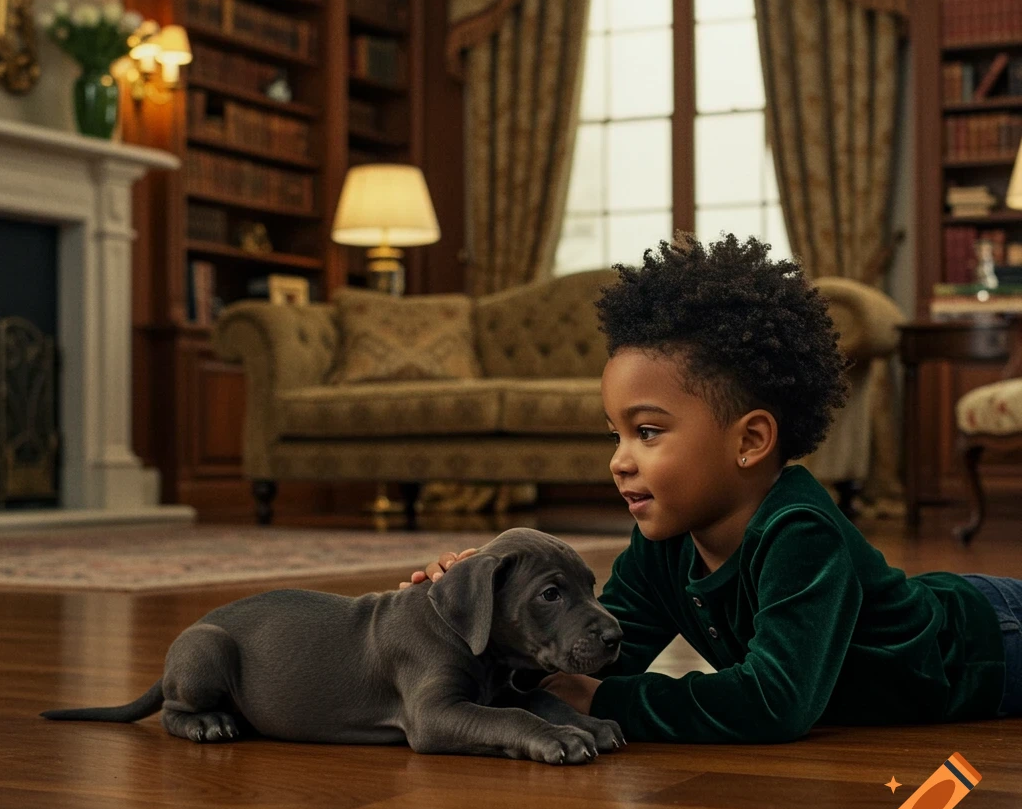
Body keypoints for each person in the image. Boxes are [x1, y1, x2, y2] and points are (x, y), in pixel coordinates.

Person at [398, 233, 1022, 743]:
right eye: (613, 435)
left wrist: (609, 700)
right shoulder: (665, 541)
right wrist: (473, 610)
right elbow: (600, 652)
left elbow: (775, 703)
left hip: (991, 645)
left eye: (646, 432)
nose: (619, 461)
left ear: (749, 441)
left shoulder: (800, 532)